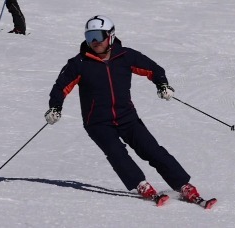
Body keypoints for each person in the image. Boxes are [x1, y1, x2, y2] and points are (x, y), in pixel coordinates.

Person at [44, 15, 201, 205]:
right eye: (89, 36)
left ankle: (183, 185)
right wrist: (55, 106)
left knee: (152, 150)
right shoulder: (79, 63)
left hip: (127, 116)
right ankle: (140, 184)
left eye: (98, 36)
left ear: (110, 36)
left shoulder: (125, 56)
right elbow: (60, 87)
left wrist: (162, 85)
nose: (94, 42)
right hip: (97, 122)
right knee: (117, 153)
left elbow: (154, 69)